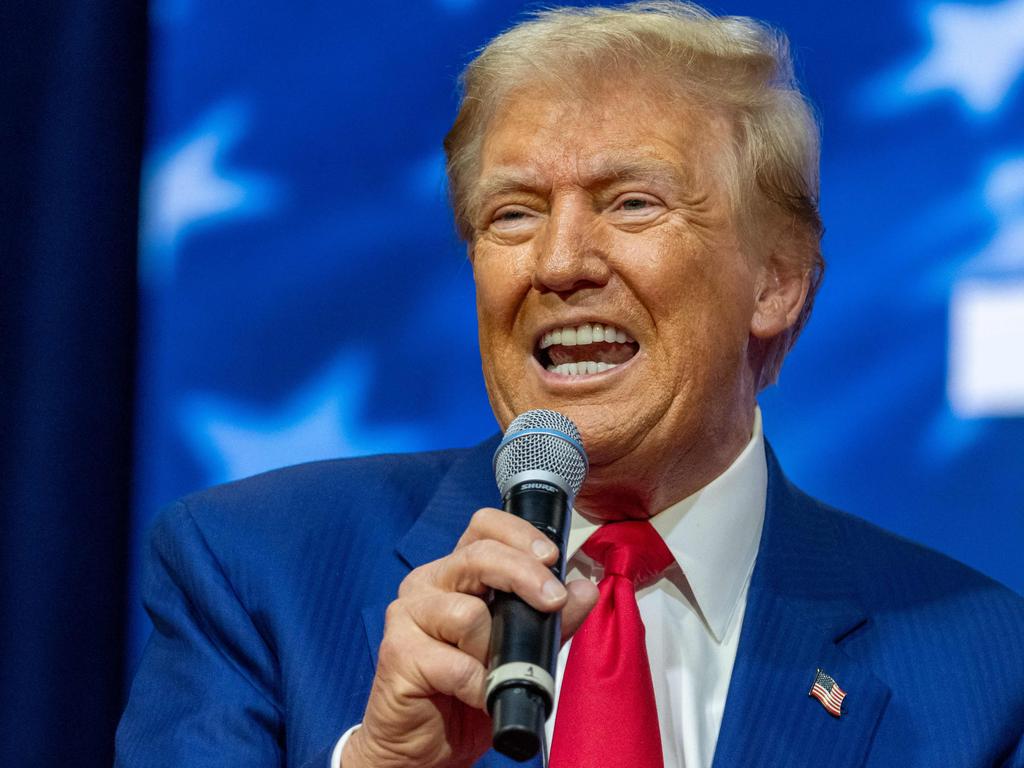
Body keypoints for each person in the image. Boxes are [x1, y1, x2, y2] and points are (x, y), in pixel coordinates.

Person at [115, 3, 1024, 767]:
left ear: (777, 283)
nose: (558, 263)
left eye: (632, 203)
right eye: (514, 213)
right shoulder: (252, 575)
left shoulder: (979, 665)